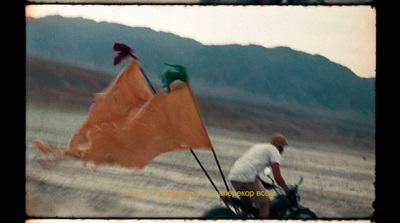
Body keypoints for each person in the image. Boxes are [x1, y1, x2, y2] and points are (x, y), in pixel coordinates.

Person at [228, 133, 292, 218]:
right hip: (246, 178)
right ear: (280, 146)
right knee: (265, 203)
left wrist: (263, 183)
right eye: (284, 146)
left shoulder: (258, 146)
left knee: (247, 203)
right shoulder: (274, 150)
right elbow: (278, 178)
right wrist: (287, 190)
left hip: (234, 176)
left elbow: (250, 165)